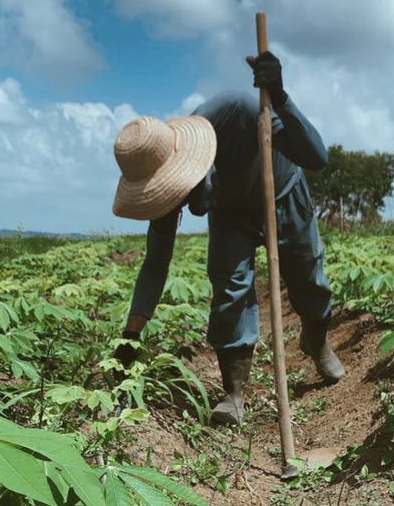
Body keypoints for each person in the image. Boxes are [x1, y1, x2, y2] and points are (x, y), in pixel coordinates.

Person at [111, 51, 345, 426]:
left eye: (182, 192)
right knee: (229, 292)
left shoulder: (239, 111)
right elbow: (155, 264)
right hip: (231, 214)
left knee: (309, 278)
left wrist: (281, 96)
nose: (181, 205)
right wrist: (129, 340)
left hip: (282, 192)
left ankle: (316, 342)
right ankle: (233, 391)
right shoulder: (164, 183)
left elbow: (316, 156)